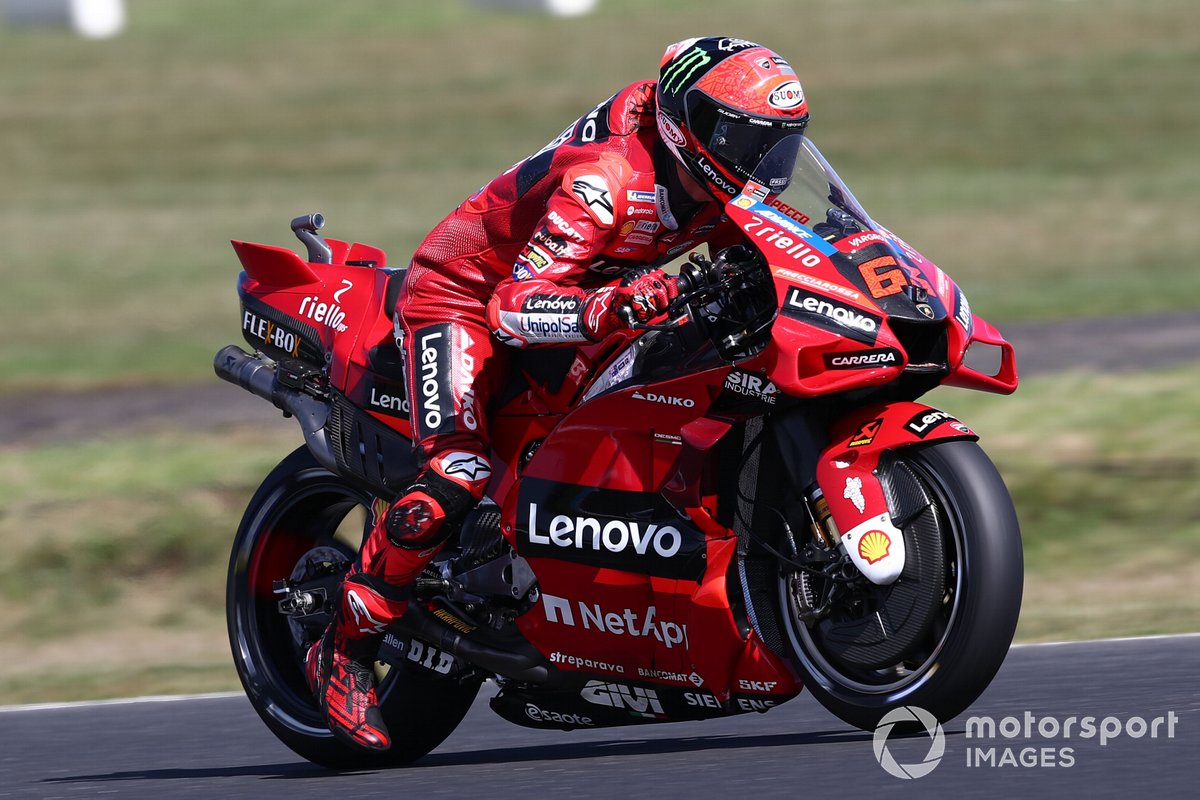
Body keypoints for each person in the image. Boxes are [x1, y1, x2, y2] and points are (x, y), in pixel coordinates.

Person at [306, 35, 811, 752]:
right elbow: (514, 306)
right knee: (460, 468)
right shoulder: (607, 183)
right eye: (743, 140)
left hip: (592, 294)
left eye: (778, 147)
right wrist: (613, 306)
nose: (763, 164)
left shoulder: (719, 177)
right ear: (686, 125)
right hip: (463, 298)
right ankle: (345, 647)